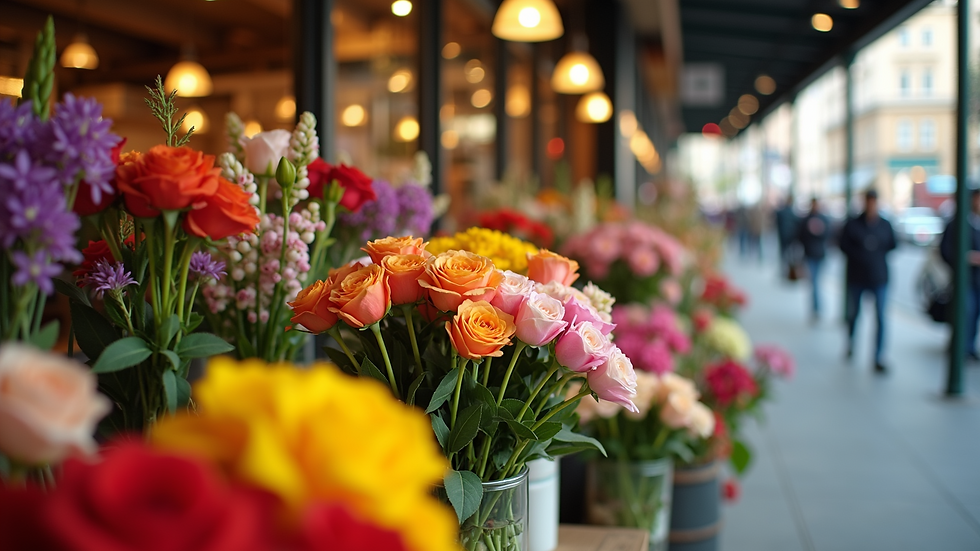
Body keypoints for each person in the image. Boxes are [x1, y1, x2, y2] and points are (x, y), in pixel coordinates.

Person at [839, 189, 897, 373]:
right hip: (857, 277)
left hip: (879, 277)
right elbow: (843, 245)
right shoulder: (853, 223)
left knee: (880, 317)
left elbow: (893, 244)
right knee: (854, 314)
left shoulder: (885, 224)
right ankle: (851, 342)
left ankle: (879, 356)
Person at [939, 189, 980, 360]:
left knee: (974, 314)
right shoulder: (957, 223)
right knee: (966, 312)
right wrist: (966, 257)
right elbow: (946, 251)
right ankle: (960, 348)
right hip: (964, 279)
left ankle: (969, 347)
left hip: (977, 280)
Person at [798, 197, 831, 321]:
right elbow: (800, 236)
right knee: (814, 283)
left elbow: (828, 235)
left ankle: (817, 308)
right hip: (809, 254)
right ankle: (816, 308)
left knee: (816, 282)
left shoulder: (824, 219)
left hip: (820, 255)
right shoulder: (806, 220)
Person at [774, 195, 799, 276]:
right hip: (791, 237)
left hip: (783, 236)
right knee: (790, 255)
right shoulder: (793, 213)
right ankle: (789, 271)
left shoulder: (781, 212)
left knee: (783, 254)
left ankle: (784, 271)